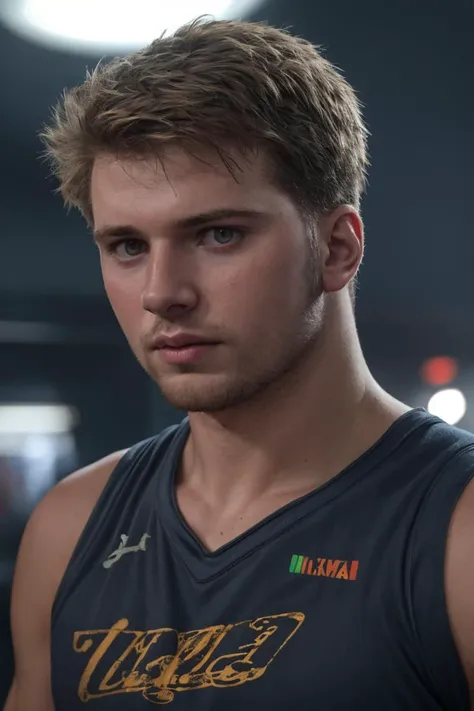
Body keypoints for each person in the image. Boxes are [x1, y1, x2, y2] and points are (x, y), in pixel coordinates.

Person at [5, 17, 474, 711]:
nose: (163, 292)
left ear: (337, 249)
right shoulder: (71, 526)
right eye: (128, 246)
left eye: (218, 234)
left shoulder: (457, 529)